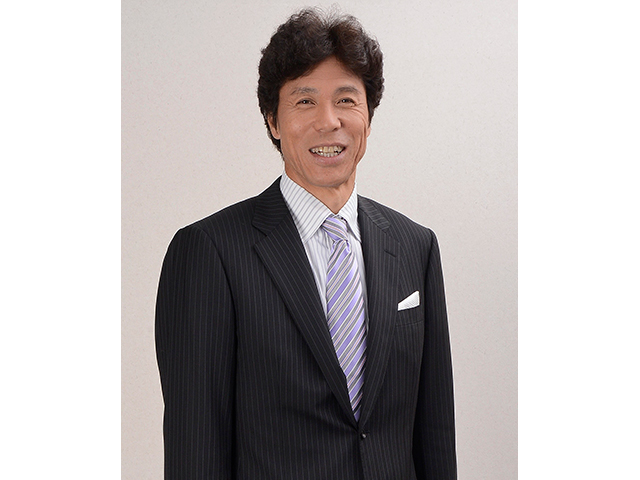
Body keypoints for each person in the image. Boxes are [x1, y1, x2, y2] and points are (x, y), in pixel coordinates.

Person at [156, 8, 457, 480]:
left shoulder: (415, 246)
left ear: (368, 117)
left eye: (346, 100)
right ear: (273, 121)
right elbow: (195, 445)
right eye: (304, 101)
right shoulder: (209, 252)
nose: (328, 121)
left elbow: (434, 432)